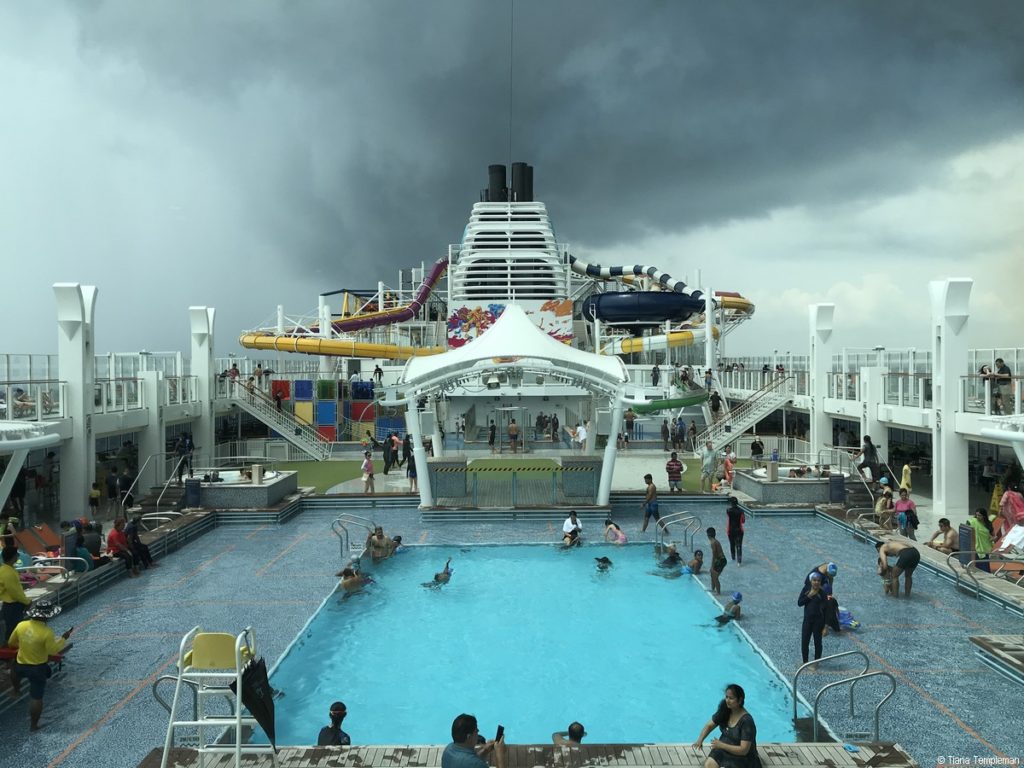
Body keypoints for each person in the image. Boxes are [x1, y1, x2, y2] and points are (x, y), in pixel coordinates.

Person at [8, 601, 73, 731]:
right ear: (46, 616)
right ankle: (33, 725)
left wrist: (25, 646)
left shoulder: (21, 625)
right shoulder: (47, 632)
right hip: (37, 668)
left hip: (21, 664)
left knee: (14, 670)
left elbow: (11, 643)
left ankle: (16, 690)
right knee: (36, 698)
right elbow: (52, 650)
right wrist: (64, 638)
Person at [692, 684, 759, 767]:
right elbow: (709, 725)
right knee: (709, 765)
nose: (727, 700)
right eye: (726, 697)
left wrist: (721, 745)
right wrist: (700, 740)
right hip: (724, 748)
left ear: (740, 700)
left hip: (742, 756)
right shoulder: (725, 709)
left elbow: (744, 750)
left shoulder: (746, 721)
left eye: (731, 698)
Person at [442, 713, 506, 768]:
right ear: (469, 737)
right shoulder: (477, 765)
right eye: (476, 730)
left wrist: (485, 750)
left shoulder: (448, 750)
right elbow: (473, 763)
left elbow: (468, 762)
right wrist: (499, 754)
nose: (478, 731)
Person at [1, 546, 31, 639]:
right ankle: (12, 648)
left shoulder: (6, 569)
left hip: (10, 605)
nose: (18, 556)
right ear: (13, 557)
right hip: (13, 606)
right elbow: (15, 592)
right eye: (17, 554)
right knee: (14, 628)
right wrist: (27, 601)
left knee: (10, 628)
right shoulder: (8, 573)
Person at [798, 573, 827, 663]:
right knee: (804, 642)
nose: (816, 582)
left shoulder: (822, 593)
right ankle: (805, 662)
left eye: (818, 581)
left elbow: (826, 611)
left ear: (820, 582)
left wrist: (826, 627)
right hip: (807, 621)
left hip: (818, 622)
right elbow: (799, 603)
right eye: (814, 580)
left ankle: (816, 663)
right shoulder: (806, 590)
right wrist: (809, 596)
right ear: (811, 581)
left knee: (817, 643)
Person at [965, 508, 996, 572]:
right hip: (975, 545)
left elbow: (993, 535)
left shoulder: (988, 524)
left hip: (985, 546)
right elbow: (966, 530)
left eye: (979, 515)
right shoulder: (972, 522)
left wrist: (993, 538)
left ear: (984, 516)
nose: (977, 517)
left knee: (985, 565)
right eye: (976, 515)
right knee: (977, 563)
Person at [725, 497, 744, 564]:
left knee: (732, 544)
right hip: (739, 530)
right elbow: (743, 521)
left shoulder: (728, 510)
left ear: (731, 503)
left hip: (730, 530)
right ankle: (739, 561)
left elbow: (729, 517)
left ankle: (733, 557)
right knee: (739, 545)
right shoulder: (741, 511)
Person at [707, 527, 726, 595]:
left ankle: (718, 593)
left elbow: (714, 555)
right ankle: (713, 590)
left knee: (715, 577)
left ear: (708, 535)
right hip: (720, 560)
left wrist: (712, 566)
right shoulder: (715, 541)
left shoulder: (713, 543)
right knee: (712, 575)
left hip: (721, 560)